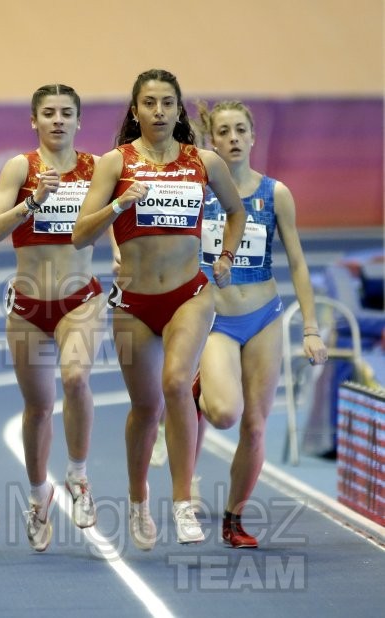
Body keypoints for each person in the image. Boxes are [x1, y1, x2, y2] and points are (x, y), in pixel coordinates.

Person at [71, 69, 247, 550]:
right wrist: (117, 206)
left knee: (175, 384)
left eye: (168, 103)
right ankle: (137, 500)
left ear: (178, 109)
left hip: (190, 294)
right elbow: (79, 233)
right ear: (135, 110)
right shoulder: (114, 163)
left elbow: (236, 211)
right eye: (149, 103)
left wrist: (226, 256)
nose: (159, 112)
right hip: (133, 303)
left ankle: (182, 502)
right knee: (146, 408)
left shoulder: (203, 161)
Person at [194, 99, 328, 548]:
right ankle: (195, 393)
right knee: (224, 412)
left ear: (252, 137)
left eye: (239, 131)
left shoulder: (276, 194)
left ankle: (234, 518)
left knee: (254, 425)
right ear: (210, 140)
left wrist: (310, 328)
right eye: (223, 132)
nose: (232, 138)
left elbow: (298, 264)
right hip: (214, 319)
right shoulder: (200, 192)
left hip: (265, 316)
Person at [0, 84, 106, 552]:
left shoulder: (97, 168)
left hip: (79, 299)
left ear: (78, 121)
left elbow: (118, 220)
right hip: (30, 307)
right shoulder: (21, 167)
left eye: (66, 113)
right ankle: (39, 498)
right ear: (34, 121)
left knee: (76, 379)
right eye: (48, 113)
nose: (57, 120)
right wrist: (32, 202)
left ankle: (77, 476)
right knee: (37, 407)